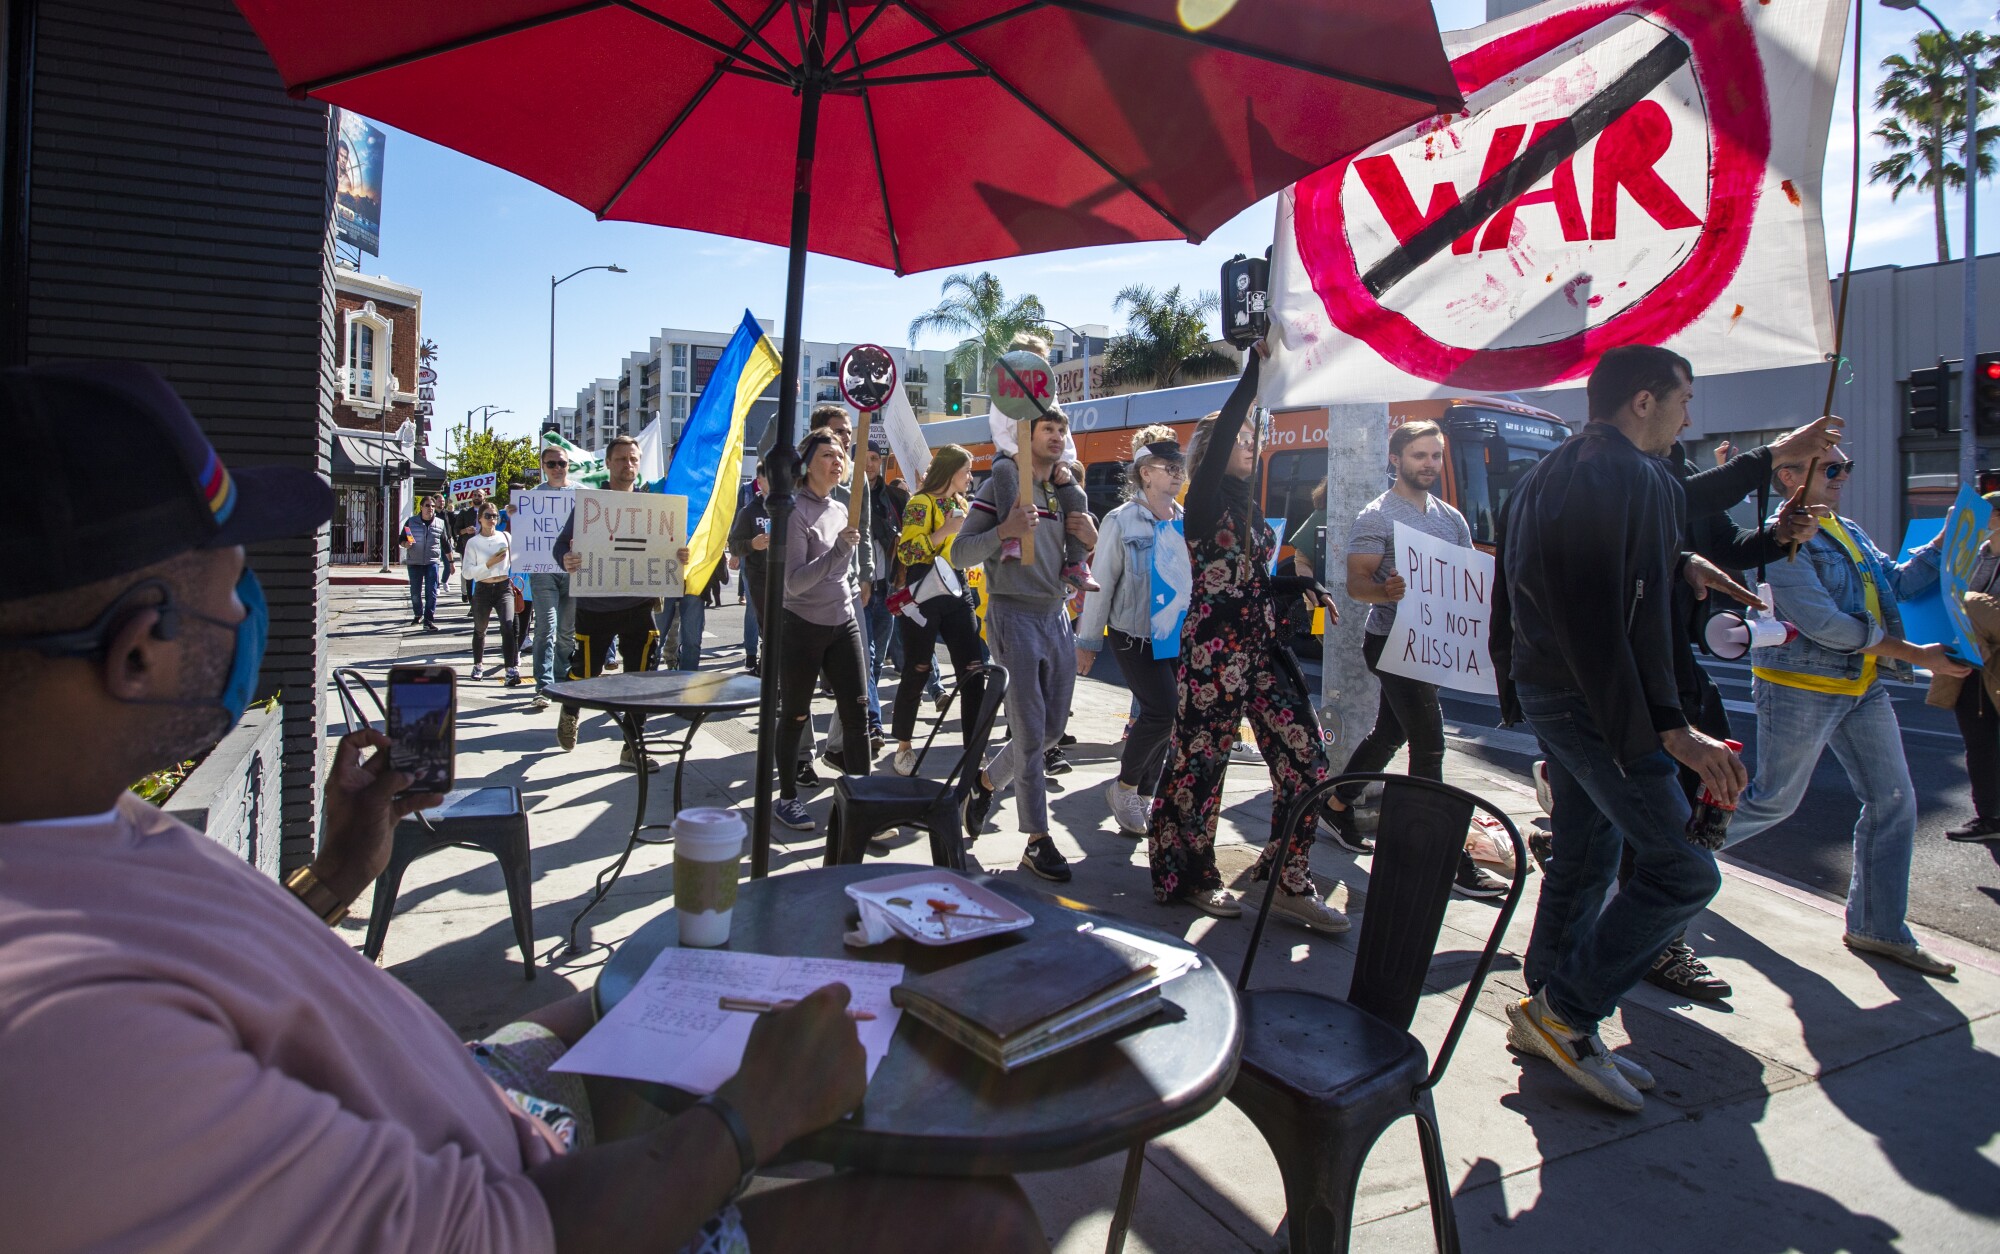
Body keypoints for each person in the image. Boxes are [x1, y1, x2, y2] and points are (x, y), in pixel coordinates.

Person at [0, 359, 1042, 1254]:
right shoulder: (66, 1046)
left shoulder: (79, 817)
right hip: (531, 1190)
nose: (247, 616)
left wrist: (331, 879)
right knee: (985, 1220)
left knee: (641, 989)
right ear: (137, 650)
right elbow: (519, 1234)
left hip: (484, 1086)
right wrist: (755, 1112)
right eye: (232, 589)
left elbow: (211, 969)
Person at [1491, 344, 1759, 1113]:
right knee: (1683, 871)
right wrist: (1670, 727)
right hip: (1599, 707)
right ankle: (1566, 1015)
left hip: (1556, 694)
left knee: (1584, 854)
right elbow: (1616, 620)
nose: (1688, 418)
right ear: (1642, 400)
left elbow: (1564, 591)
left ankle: (1545, 1013)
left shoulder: (1549, 471)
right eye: (1683, 400)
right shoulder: (1630, 474)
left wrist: (1681, 565)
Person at [1717, 448, 1968, 976]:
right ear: (1788, 477)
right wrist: (1916, 657)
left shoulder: (1846, 528)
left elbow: (1895, 582)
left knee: (1893, 798)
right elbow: (1822, 624)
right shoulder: (1780, 538)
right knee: (1772, 802)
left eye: (1847, 466)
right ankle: (1662, 862)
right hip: (1800, 687)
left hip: (1863, 687)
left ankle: (1878, 929)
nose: (1843, 476)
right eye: (1830, 468)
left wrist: (1948, 538)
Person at [1142, 348, 1349, 934]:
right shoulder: (1204, 501)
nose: (1251, 445)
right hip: (1213, 652)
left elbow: (1250, 578)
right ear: (1212, 454)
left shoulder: (1250, 509)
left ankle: (1285, 877)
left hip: (1262, 649)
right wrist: (1255, 372)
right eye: (1240, 440)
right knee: (1199, 766)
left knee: (1307, 761)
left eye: (1254, 439)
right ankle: (1191, 874)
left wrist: (1300, 583)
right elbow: (1233, 417)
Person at [1334, 421, 1510, 897]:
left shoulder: (1451, 518)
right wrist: (1383, 589)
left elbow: (1466, 580)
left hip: (1432, 647)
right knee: (1430, 746)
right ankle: (1442, 857)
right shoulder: (1376, 516)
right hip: (1391, 643)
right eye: (1419, 455)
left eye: (1435, 455)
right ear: (1396, 460)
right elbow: (1356, 585)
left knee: (1390, 733)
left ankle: (1336, 804)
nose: (1429, 464)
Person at [952, 403, 1097, 883]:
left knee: (1052, 732)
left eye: (1061, 429)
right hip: (1012, 614)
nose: (1056, 436)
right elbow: (960, 551)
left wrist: (1088, 535)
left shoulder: (1063, 490)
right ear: (1024, 434)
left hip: (1056, 614)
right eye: (1047, 429)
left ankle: (986, 778)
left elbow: (1076, 550)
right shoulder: (1002, 487)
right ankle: (1037, 839)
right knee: (1032, 734)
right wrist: (1005, 531)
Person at [1076, 426, 1186, 835]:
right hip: (1132, 634)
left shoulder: (1183, 522)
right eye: (1168, 467)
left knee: (1170, 715)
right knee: (1163, 709)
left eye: (1180, 467)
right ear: (1145, 473)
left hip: (1172, 633)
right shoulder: (1120, 521)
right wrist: (1087, 643)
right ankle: (1124, 787)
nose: (1177, 474)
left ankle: (1143, 793)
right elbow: (1099, 583)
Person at [555, 435, 683, 771]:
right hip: (594, 608)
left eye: (634, 459)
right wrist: (568, 558)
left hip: (638, 608)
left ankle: (632, 747)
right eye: (622, 459)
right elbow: (559, 548)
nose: (628, 465)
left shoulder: (653, 506)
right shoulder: (592, 507)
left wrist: (678, 555)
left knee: (640, 681)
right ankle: (570, 708)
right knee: (586, 673)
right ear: (609, 464)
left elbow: (665, 549)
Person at [771, 432, 875, 833]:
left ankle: (863, 801)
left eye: (842, 455)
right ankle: (787, 799)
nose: (838, 461)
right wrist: (839, 554)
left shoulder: (840, 508)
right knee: (795, 714)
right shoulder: (794, 512)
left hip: (842, 621)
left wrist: (850, 570)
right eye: (828, 455)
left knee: (857, 712)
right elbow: (794, 583)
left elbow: (840, 570)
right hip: (802, 625)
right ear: (807, 463)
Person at [886, 444, 988, 777]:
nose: (970, 477)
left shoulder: (962, 504)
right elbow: (908, 552)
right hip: (925, 593)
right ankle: (903, 745)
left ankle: (974, 749)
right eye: (967, 471)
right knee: (916, 670)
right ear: (951, 471)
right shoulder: (920, 503)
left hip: (958, 593)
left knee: (973, 672)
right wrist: (944, 531)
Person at [983, 334, 1098, 593]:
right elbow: (998, 431)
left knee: (1076, 495)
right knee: (1002, 472)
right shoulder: (1004, 393)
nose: (1037, 364)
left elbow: (1062, 432)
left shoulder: (1048, 394)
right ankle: (1012, 537)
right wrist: (1016, 455)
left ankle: (1076, 563)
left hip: (1046, 462)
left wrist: (1066, 463)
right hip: (1011, 456)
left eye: (1041, 359)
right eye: (1030, 358)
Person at [1946, 495, 2000, 842]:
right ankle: (1989, 817)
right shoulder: (1974, 556)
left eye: (1990, 512)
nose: (1985, 518)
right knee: (1979, 743)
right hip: (1973, 662)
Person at [526, 443, 577, 713]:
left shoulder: (582, 494)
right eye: (551, 464)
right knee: (545, 629)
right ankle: (543, 687)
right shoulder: (531, 498)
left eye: (562, 463)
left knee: (567, 633)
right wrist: (514, 515)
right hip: (543, 572)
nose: (558, 468)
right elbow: (520, 532)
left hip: (574, 573)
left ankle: (561, 680)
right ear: (543, 467)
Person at [464, 503, 523, 687]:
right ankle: (478, 664)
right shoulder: (473, 542)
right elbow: (467, 572)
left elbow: (520, 557)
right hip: (483, 589)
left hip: (504, 587)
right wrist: (488, 564)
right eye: (488, 516)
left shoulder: (505, 537)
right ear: (480, 518)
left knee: (508, 626)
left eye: (495, 516)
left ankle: (511, 669)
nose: (492, 520)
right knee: (480, 629)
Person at [728, 467, 771, 677]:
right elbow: (734, 545)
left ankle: (767, 673)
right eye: (768, 477)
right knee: (770, 630)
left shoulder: (792, 509)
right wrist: (752, 544)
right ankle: (766, 676)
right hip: (760, 578)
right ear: (759, 482)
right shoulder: (749, 511)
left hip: (789, 580)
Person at [399, 495, 448, 632]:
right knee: (415, 592)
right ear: (421, 507)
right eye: (427, 505)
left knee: (431, 592)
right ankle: (418, 613)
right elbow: (401, 539)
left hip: (432, 562)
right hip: (414, 562)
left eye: (432, 506)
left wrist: (450, 562)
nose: (430, 508)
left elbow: (445, 543)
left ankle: (428, 620)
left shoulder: (440, 523)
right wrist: (405, 544)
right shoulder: (411, 522)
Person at [451, 486, 487, 602]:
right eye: (475, 495)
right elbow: (456, 530)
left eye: (479, 495)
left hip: (485, 548)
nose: (476, 497)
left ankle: (482, 601)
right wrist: (465, 530)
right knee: (469, 575)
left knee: (483, 575)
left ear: (484, 498)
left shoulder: (489, 512)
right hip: (468, 548)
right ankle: (472, 601)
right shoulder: (465, 512)